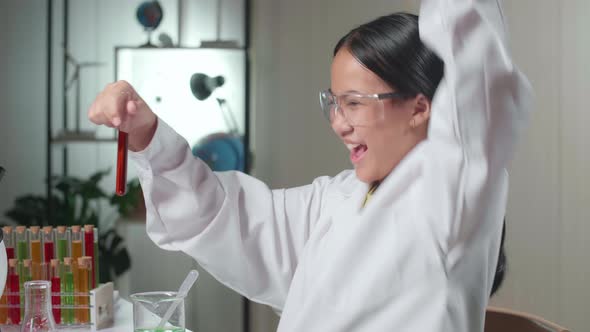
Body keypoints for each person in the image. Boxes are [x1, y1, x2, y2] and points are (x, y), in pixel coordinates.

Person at [88, 0, 531, 330]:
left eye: (355, 104)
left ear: (419, 107)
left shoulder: (450, 189)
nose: (339, 123)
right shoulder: (338, 198)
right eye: (334, 104)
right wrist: (146, 134)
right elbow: (231, 218)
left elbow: (477, 73)